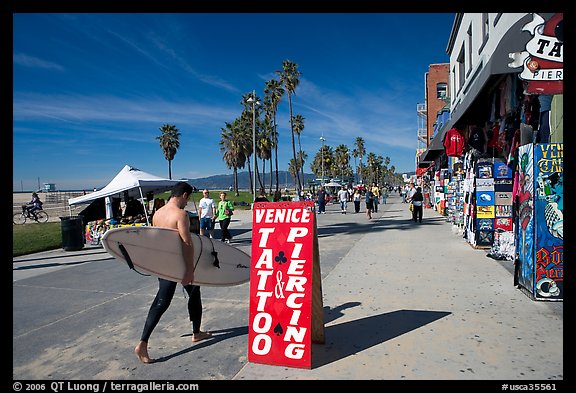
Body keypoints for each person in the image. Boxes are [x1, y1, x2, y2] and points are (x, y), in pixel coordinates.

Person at [134, 181, 212, 364]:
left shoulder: (158, 213)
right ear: (184, 195)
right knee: (162, 303)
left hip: (163, 264)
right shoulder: (180, 214)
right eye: (187, 198)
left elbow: (157, 242)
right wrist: (189, 270)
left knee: (190, 294)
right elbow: (187, 244)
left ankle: (196, 332)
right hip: (178, 266)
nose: (187, 202)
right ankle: (142, 343)